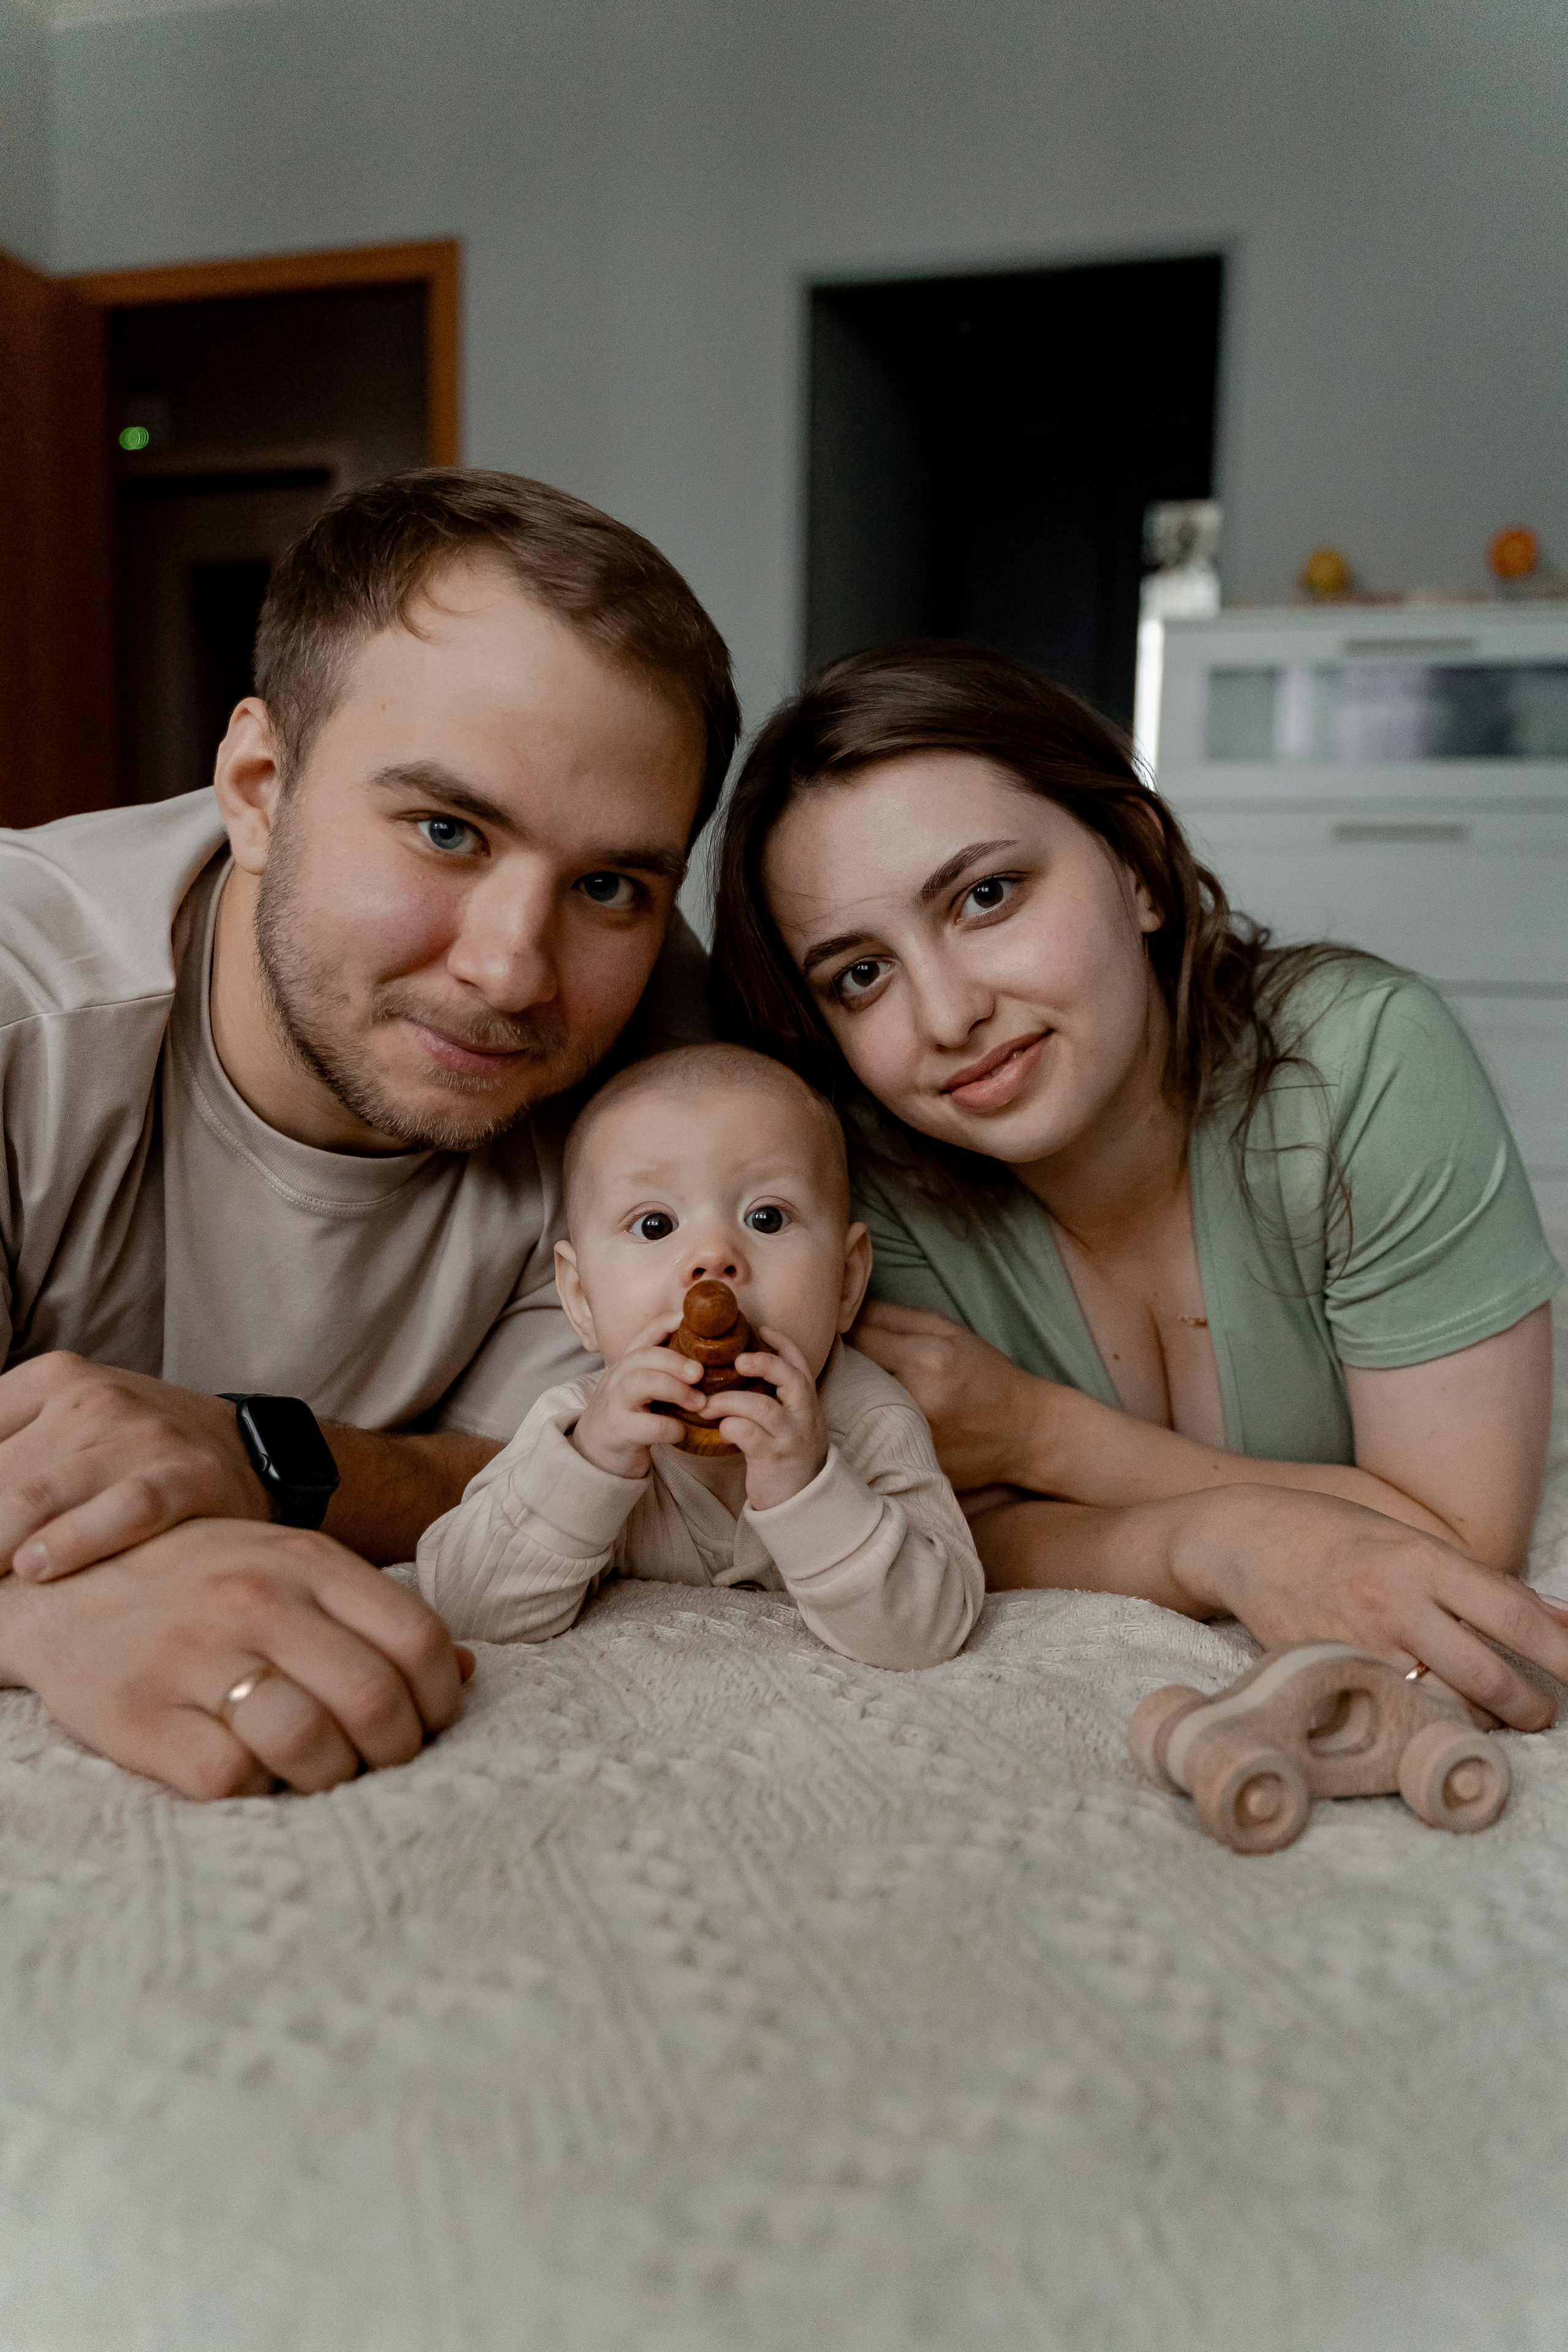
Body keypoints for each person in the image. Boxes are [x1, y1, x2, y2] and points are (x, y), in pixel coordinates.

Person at [0, 468, 739, 1798]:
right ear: (259, 786)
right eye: (447, 831)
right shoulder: (24, 1004)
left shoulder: (670, 1069)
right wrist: (50, 1612)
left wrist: (256, 1459)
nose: (514, 970)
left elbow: (600, 1483)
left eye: (609, 885)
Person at [710, 640, 1568, 1731]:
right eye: (861, 974)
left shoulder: (1364, 1063)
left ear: (1138, 865)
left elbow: (1459, 1543)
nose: (947, 1015)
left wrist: (1039, 1434)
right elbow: (939, 1533)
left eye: (986, 896)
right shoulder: (867, 1187)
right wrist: (1209, 1544)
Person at [417, 1044, 983, 1670]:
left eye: (767, 1218)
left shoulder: (871, 1421)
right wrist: (591, 1467)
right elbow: (466, 1610)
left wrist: (808, 1488)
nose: (713, 1256)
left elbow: (927, 1634)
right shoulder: (577, 1427)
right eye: (655, 1225)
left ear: (846, 1283)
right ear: (580, 1300)